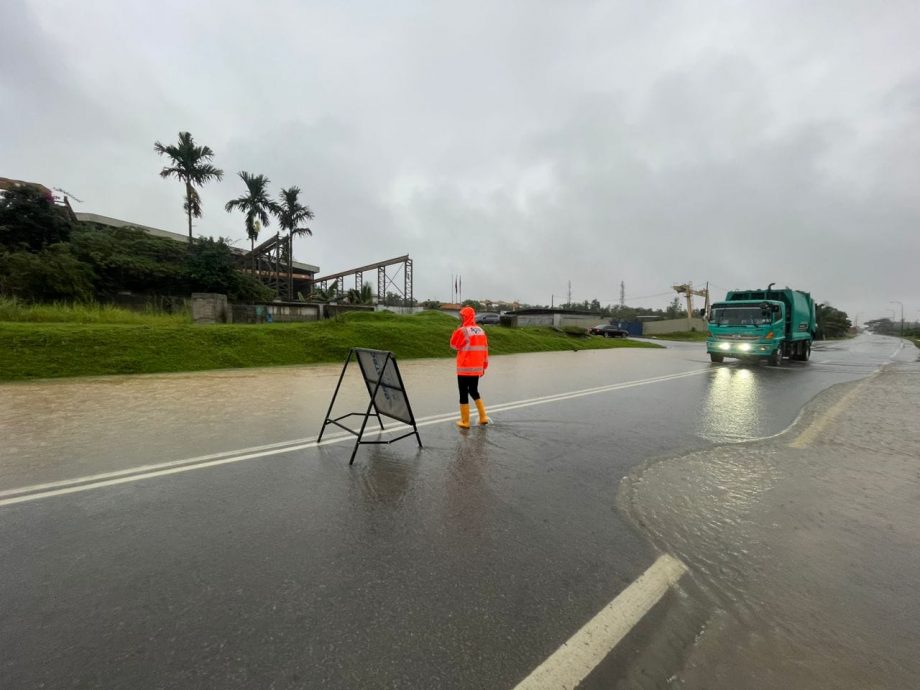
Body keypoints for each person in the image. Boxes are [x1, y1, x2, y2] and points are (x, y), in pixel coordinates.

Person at [450, 306, 491, 428]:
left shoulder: (462, 330)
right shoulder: (481, 331)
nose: (460, 318)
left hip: (464, 368)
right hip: (477, 368)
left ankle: (465, 421)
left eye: (461, 316)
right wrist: (484, 366)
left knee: (463, 393)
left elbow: (453, 345)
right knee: (473, 390)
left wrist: (456, 331)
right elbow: (485, 350)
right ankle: (483, 417)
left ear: (465, 317)